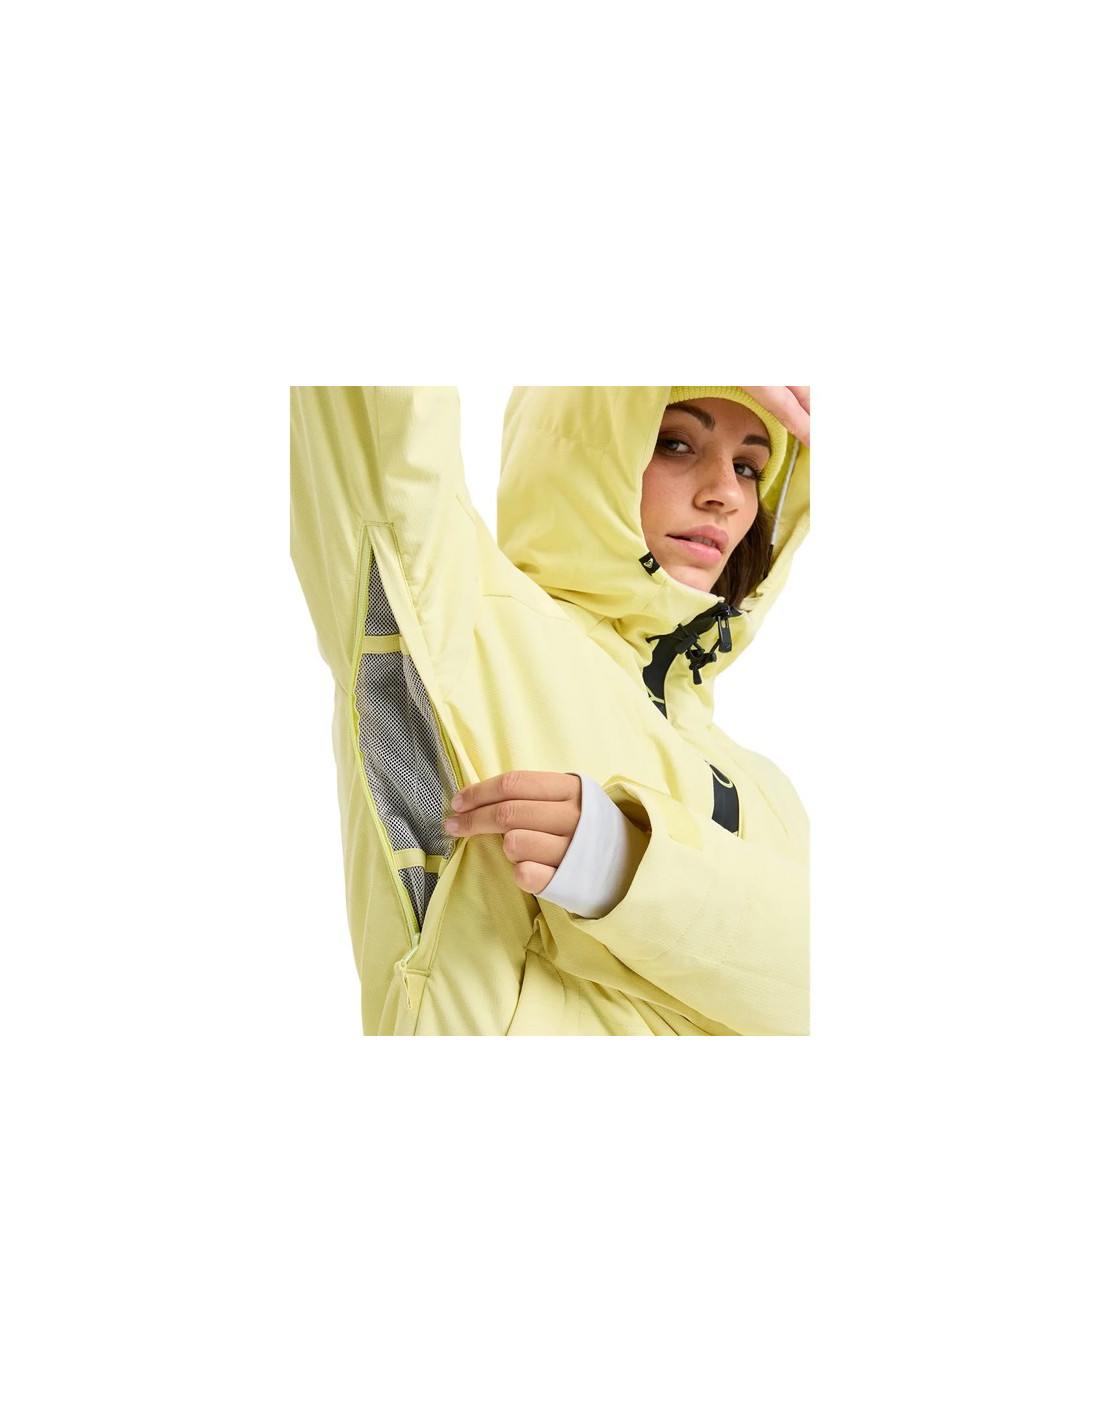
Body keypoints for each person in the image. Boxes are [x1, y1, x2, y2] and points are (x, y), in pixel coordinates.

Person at [290, 386, 810, 1034]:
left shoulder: (771, 795)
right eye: (675, 443)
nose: (725, 494)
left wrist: (629, 869)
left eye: (749, 467)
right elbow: (381, 425)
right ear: (581, 448)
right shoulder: (464, 620)